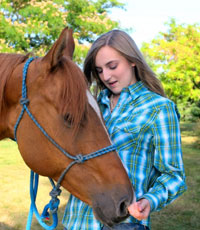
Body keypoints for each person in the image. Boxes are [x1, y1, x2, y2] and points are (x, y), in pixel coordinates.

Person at [62, 29, 187, 230]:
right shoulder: (91, 107)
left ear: (132, 60)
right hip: (76, 221)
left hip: (122, 223)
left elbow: (174, 176)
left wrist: (149, 200)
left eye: (112, 66)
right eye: (100, 70)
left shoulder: (159, 108)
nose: (106, 76)